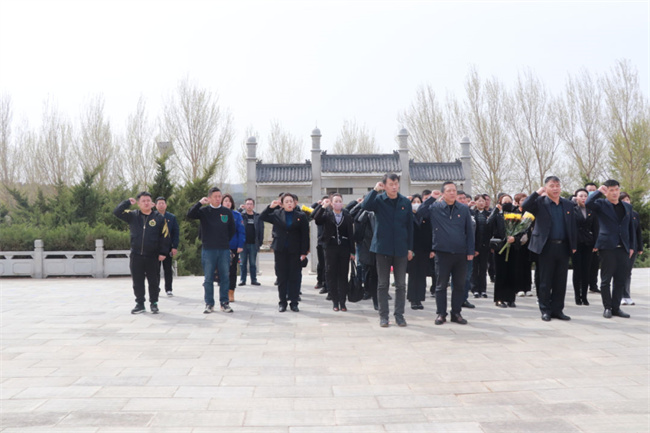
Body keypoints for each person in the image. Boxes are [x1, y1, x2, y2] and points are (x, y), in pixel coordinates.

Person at [418, 181, 475, 325]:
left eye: (454, 190)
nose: (452, 193)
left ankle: (456, 313)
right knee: (441, 285)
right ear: (443, 194)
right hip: (442, 252)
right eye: (449, 190)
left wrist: (470, 250)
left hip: (460, 253)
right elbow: (420, 212)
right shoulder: (435, 207)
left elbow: (469, 231)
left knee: (459, 285)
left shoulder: (463, 209)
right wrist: (431, 198)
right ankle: (441, 314)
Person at [521, 176, 577, 322]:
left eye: (557, 185)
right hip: (546, 246)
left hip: (563, 246)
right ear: (546, 188)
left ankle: (558, 310)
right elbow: (525, 206)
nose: (555, 188)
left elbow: (572, 226)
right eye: (552, 186)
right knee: (545, 280)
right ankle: (545, 310)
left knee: (560, 281)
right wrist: (537, 192)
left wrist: (573, 245)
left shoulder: (567, 204)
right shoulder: (540, 202)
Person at [361, 173, 413, 327]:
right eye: (391, 184)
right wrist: (375, 190)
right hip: (382, 247)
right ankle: (383, 316)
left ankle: (399, 315)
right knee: (383, 284)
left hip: (401, 248)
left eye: (396, 183)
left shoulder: (405, 202)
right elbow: (365, 206)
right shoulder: (378, 200)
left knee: (401, 285)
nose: (394, 187)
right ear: (384, 185)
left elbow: (410, 226)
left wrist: (410, 248)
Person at [586, 180, 635, 319]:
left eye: (616, 189)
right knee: (606, 279)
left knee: (620, 279)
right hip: (607, 246)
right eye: (611, 190)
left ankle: (616, 308)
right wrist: (598, 192)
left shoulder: (627, 207)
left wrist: (632, 246)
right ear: (606, 191)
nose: (614, 193)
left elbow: (630, 227)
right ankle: (607, 307)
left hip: (623, 247)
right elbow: (588, 203)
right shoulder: (601, 204)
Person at [114, 192, 170, 314]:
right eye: (143, 201)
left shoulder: (159, 218)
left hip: (152, 255)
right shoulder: (133, 215)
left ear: (152, 203)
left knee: (153, 281)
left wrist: (163, 252)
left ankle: (154, 303)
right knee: (137, 281)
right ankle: (140, 304)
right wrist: (127, 202)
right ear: (139, 203)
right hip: (136, 255)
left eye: (148, 200)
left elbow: (165, 236)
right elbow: (117, 212)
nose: (146, 203)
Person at [188, 187, 236, 314]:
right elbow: (190, 214)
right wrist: (199, 203)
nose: (218, 199)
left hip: (223, 249)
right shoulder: (204, 211)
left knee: (225, 277)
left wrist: (224, 240)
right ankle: (209, 303)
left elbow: (232, 229)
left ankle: (224, 303)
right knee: (208, 278)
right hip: (208, 249)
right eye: (215, 196)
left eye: (219, 196)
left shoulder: (226, 212)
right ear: (209, 198)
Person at [260, 193, 309, 312]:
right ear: (282, 204)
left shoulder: (301, 216)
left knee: (294, 277)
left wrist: (304, 252)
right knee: (282, 277)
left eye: (291, 201)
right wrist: (270, 207)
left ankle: (294, 302)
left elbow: (305, 235)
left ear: (294, 203)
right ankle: (282, 302)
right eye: (286, 201)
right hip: (280, 250)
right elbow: (262, 217)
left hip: (295, 250)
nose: (289, 203)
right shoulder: (277, 214)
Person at [313, 193, 356, 311]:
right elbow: (317, 219)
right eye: (336, 201)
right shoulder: (327, 215)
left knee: (343, 274)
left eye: (340, 201)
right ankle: (335, 301)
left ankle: (343, 302)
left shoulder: (347, 216)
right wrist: (323, 207)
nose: (338, 203)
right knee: (331, 274)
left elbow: (350, 234)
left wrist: (352, 252)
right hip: (330, 248)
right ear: (331, 203)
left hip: (344, 248)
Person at [488, 194, 524, 308]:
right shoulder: (497, 215)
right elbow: (488, 224)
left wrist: (515, 239)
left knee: (512, 273)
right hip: (500, 248)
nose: (507, 204)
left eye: (509, 201)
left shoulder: (516, 215)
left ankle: (510, 298)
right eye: (504, 202)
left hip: (513, 247)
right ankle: (499, 298)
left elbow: (522, 230)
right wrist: (495, 211)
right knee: (500, 274)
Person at [572, 188, 598, 306]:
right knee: (577, 270)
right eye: (581, 196)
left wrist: (596, 243)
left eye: (585, 196)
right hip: (576, 243)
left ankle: (584, 296)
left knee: (586, 270)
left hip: (588, 243)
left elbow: (596, 228)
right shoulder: (572, 210)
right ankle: (577, 296)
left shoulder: (591, 211)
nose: (583, 198)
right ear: (576, 198)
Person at [407, 194, 432, 310]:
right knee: (413, 275)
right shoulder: (407, 216)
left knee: (422, 275)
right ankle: (412, 299)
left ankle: (420, 299)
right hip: (412, 249)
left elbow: (430, 233)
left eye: (418, 202)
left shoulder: (426, 216)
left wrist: (432, 249)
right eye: (414, 202)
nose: (416, 204)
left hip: (424, 249)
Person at [620, 192, 644, 306]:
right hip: (621, 247)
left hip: (633, 246)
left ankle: (627, 295)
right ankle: (620, 295)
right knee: (620, 272)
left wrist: (640, 246)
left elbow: (638, 231)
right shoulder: (617, 214)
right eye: (623, 200)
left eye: (627, 199)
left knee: (628, 272)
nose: (626, 202)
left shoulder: (634, 214)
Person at [155, 197, 180, 297]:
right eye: (159, 203)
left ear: (166, 205)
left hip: (168, 247)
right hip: (155, 247)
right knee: (155, 269)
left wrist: (174, 246)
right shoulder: (152, 216)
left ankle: (168, 289)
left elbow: (175, 233)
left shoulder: (171, 217)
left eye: (163, 203)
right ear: (156, 205)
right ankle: (155, 288)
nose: (161, 205)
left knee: (168, 269)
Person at [222, 194, 245, 303]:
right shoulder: (218, 214)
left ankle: (231, 291)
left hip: (233, 246)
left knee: (232, 270)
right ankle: (223, 291)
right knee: (222, 270)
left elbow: (241, 231)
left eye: (229, 201)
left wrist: (240, 245)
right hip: (220, 246)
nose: (228, 203)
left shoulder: (236, 215)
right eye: (225, 201)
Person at [239, 198, 264, 287]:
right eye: (247, 204)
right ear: (245, 205)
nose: (249, 206)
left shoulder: (257, 216)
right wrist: (240, 209)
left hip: (253, 243)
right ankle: (243, 280)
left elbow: (261, 229)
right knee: (243, 263)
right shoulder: (241, 216)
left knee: (253, 263)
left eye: (250, 204)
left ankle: (254, 280)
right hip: (243, 244)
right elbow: (234, 216)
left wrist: (260, 242)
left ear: (253, 206)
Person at [471, 194, 491, 299]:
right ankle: (474, 289)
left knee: (483, 269)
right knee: (474, 269)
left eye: (483, 201)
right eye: (479, 201)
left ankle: (483, 289)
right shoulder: (472, 214)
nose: (481, 203)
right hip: (474, 245)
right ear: (475, 202)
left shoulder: (489, 214)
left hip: (485, 246)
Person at [585, 182, 601, 295]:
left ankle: (593, 285)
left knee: (595, 265)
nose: (591, 192)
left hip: (595, 239)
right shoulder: (578, 206)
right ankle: (582, 286)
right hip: (583, 240)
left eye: (594, 190)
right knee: (584, 266)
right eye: (589, 190)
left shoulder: (598, 205)